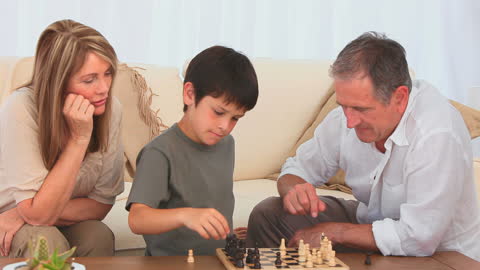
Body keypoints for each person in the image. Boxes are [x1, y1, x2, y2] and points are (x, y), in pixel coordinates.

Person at [246, 32, 480, 261]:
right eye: (344, 106)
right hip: (372, 224)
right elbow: (297, 170)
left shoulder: (437, 133)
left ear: (399, 97)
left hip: (439, 252)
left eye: (361, 109)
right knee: (269, 214)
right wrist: (292, 189)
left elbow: (419, 238)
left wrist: (335, 232)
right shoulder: (344, 118)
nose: (349, 121)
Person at [0, 19, 124, 258]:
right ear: (58, 82)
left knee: (97, 235)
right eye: (89, 80)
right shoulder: (20, 108)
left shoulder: (111, 108)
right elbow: (37, 218)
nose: (104, 88)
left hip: (33, 217)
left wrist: (23, 212)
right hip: (8, 228)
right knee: (44, 240)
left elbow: (100, 205)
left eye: (108, 73)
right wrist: (78, 140)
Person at [126, 45, 259, 256]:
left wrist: (228, 234)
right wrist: (186, 215)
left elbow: (210, 200)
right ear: (189, 94)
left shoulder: (227, 144)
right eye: (218, 112)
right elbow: (137, 219)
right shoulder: (159, 153)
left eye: (235, 118)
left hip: (218, 261)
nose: (225, 126)